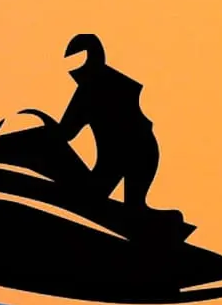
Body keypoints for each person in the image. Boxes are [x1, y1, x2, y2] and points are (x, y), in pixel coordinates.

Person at [55, 35, 161, 213]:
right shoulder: (119, 82)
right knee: (134, 207)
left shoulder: (89, 89)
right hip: (142, 151)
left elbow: (66, 133)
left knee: (90, 202)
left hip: (124, 154)